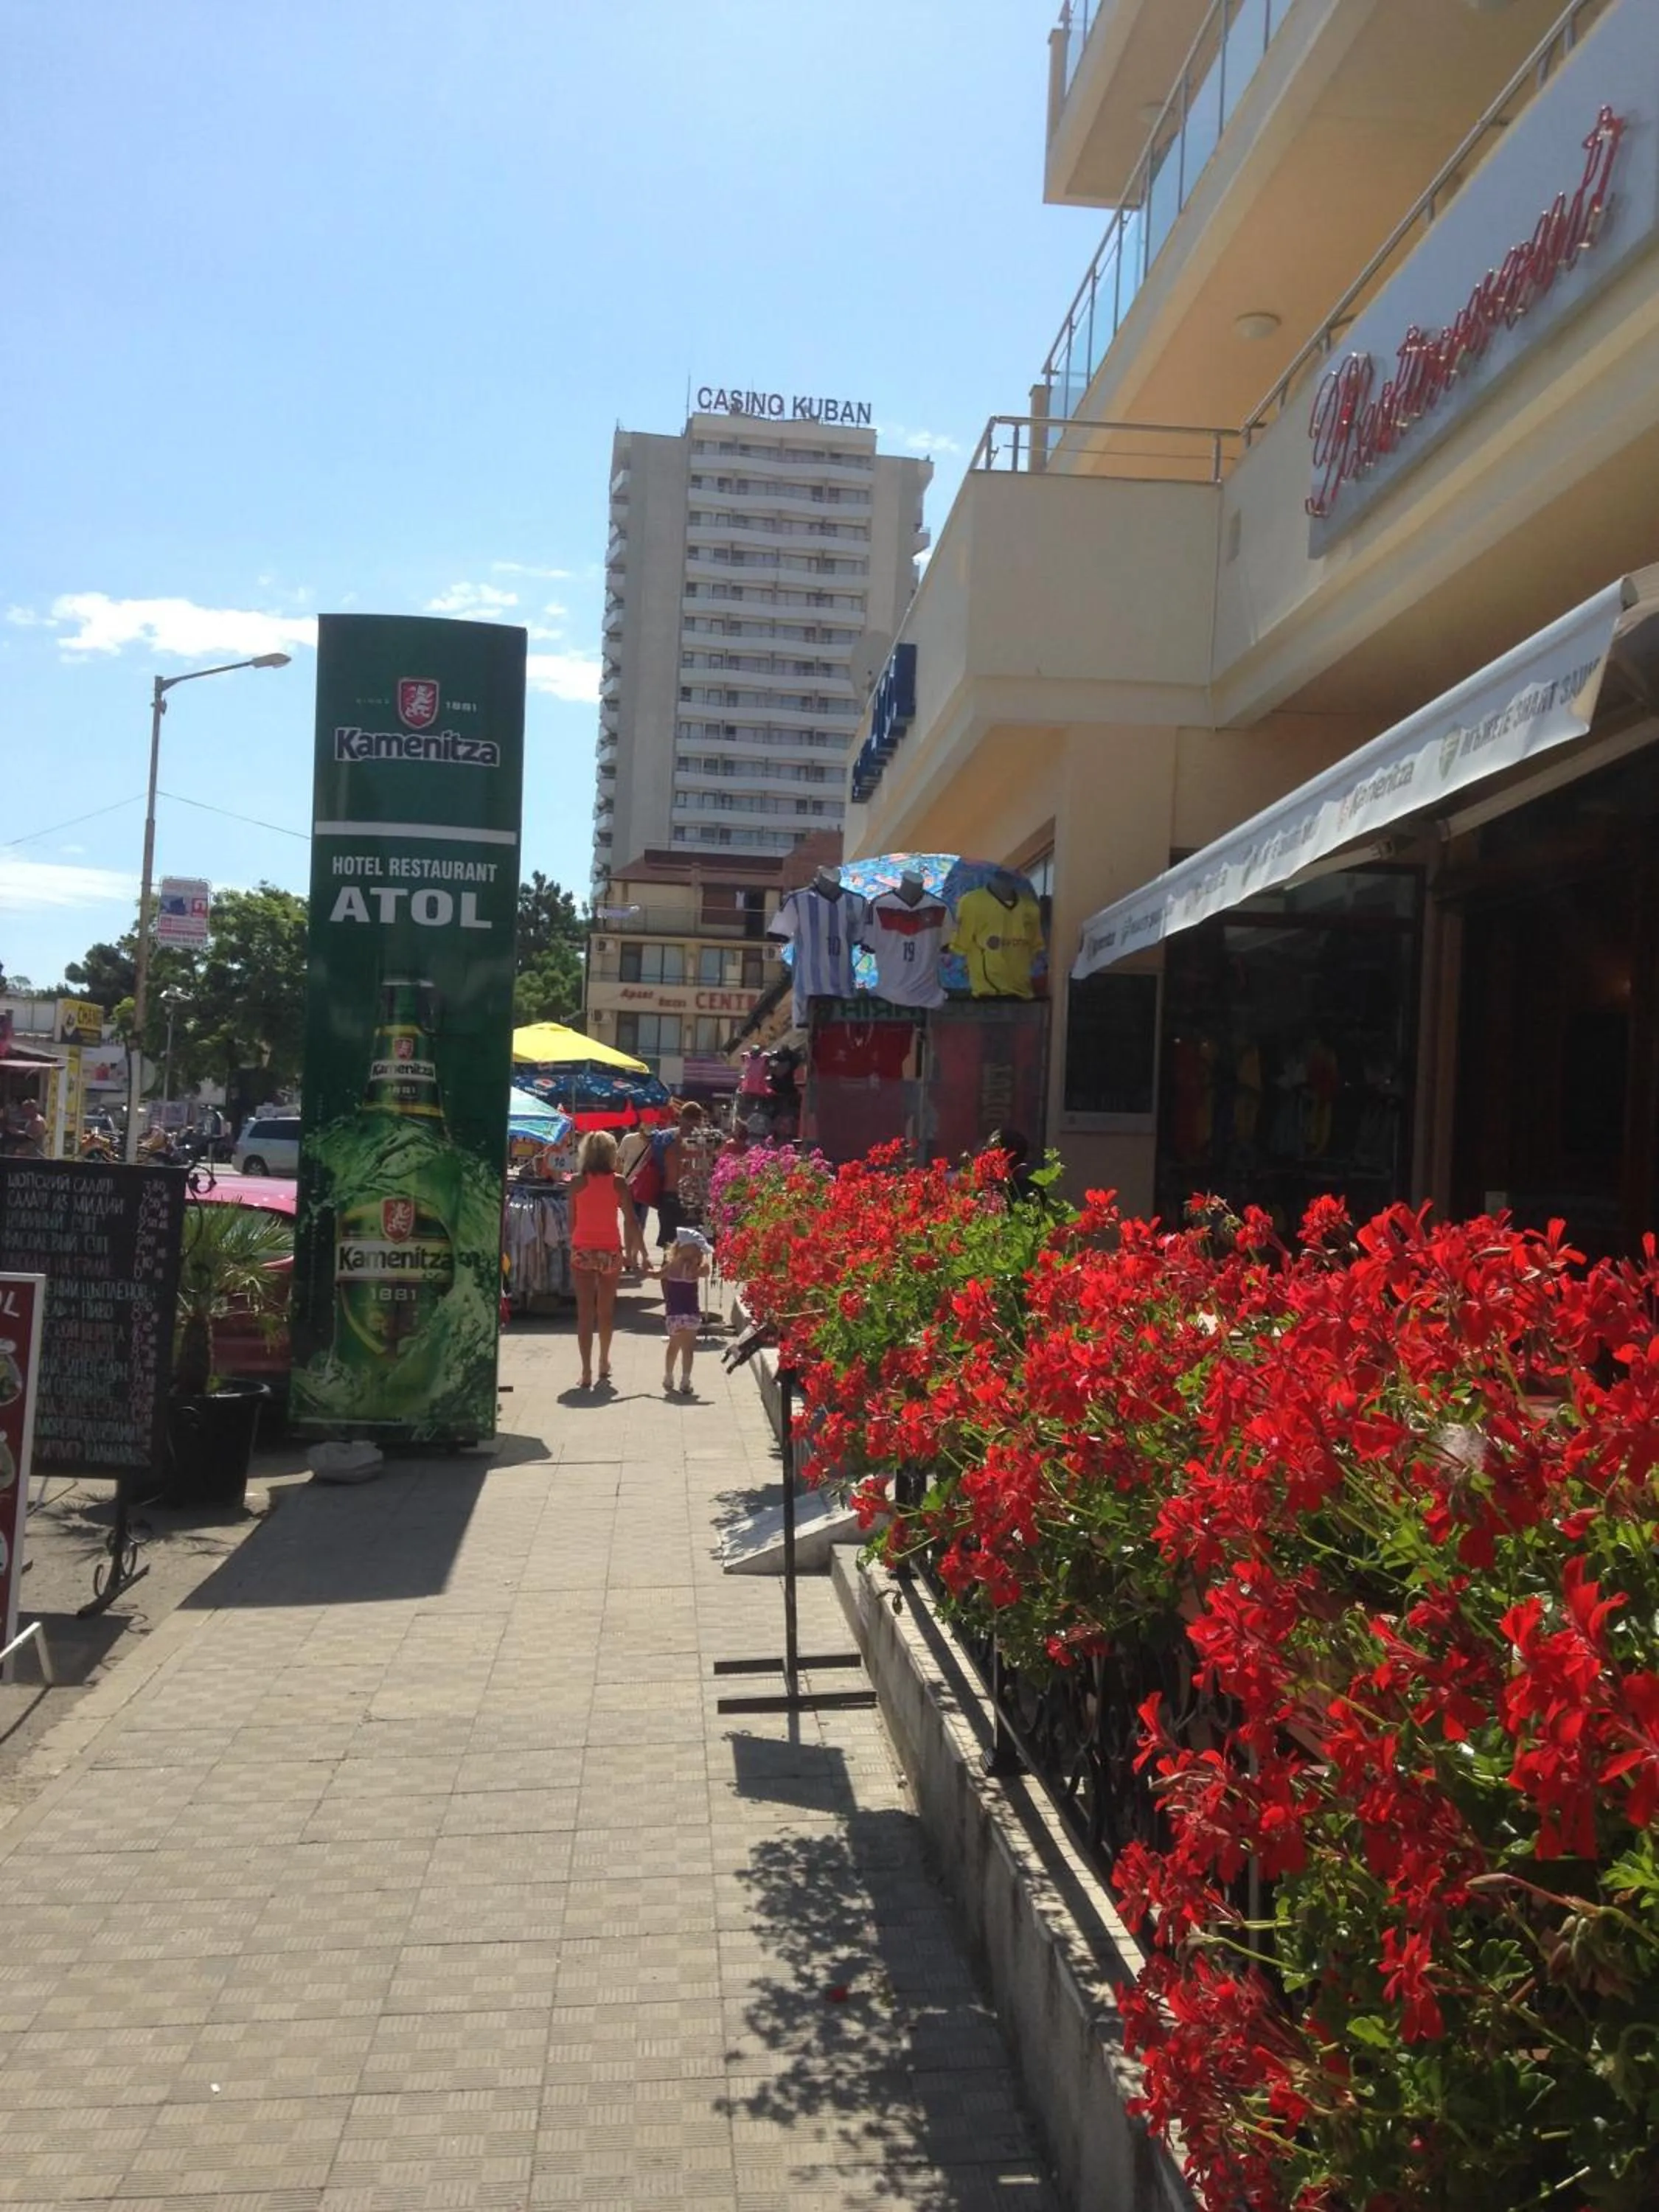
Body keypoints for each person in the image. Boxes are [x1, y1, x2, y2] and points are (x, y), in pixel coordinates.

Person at [567, 1128, 650, 1390]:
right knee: (605, 1312)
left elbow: (572, 1222)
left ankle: (586, 1371)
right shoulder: (618, 1183)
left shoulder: (576, 1182)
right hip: (610, 1251)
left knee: (584, 1314)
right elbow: (632, 1220)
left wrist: (579, 1240)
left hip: (583, 1249)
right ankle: (603, 1361)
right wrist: (644, 1254)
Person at [656, 1100, 717, 1245]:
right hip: (693, 1196)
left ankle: (670, 1261)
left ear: (680, 1118)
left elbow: (657, 1163)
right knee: (692, 1240)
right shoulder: (706, 1143)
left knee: (670, 1239)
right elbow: (709, 1171)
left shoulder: (666, 1138)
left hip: (671, 1193)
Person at [659, 1227, 710, 1395]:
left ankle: (668, 1376)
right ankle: (685, 1380)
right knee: (688, 1349)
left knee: (673, 1346)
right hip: (691, 1314)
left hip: (674, 1314)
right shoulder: (693, 1267)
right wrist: (703, 1263)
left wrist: (646, 1269)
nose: (699, 1251)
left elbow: (656, 1275)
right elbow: (705, 1271)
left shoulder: (671, 1265)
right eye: (697, 1248)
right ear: (687, 1248)